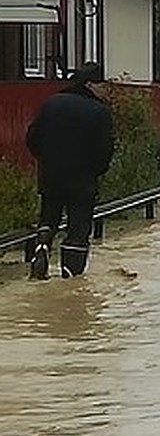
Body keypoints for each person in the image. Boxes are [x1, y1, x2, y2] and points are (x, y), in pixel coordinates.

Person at [25, 62, 115, 279]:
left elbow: (32, 137)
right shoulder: (99, 112)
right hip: (82, 180)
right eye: (104, 86)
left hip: (51, 175)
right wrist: (94, 171)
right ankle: (70, 274)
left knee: (48, 216)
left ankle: (43, 244)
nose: (107, 91)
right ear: (91, 85)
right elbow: (105, 150)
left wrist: (46, 160)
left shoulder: (51, 104)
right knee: (78, 226)